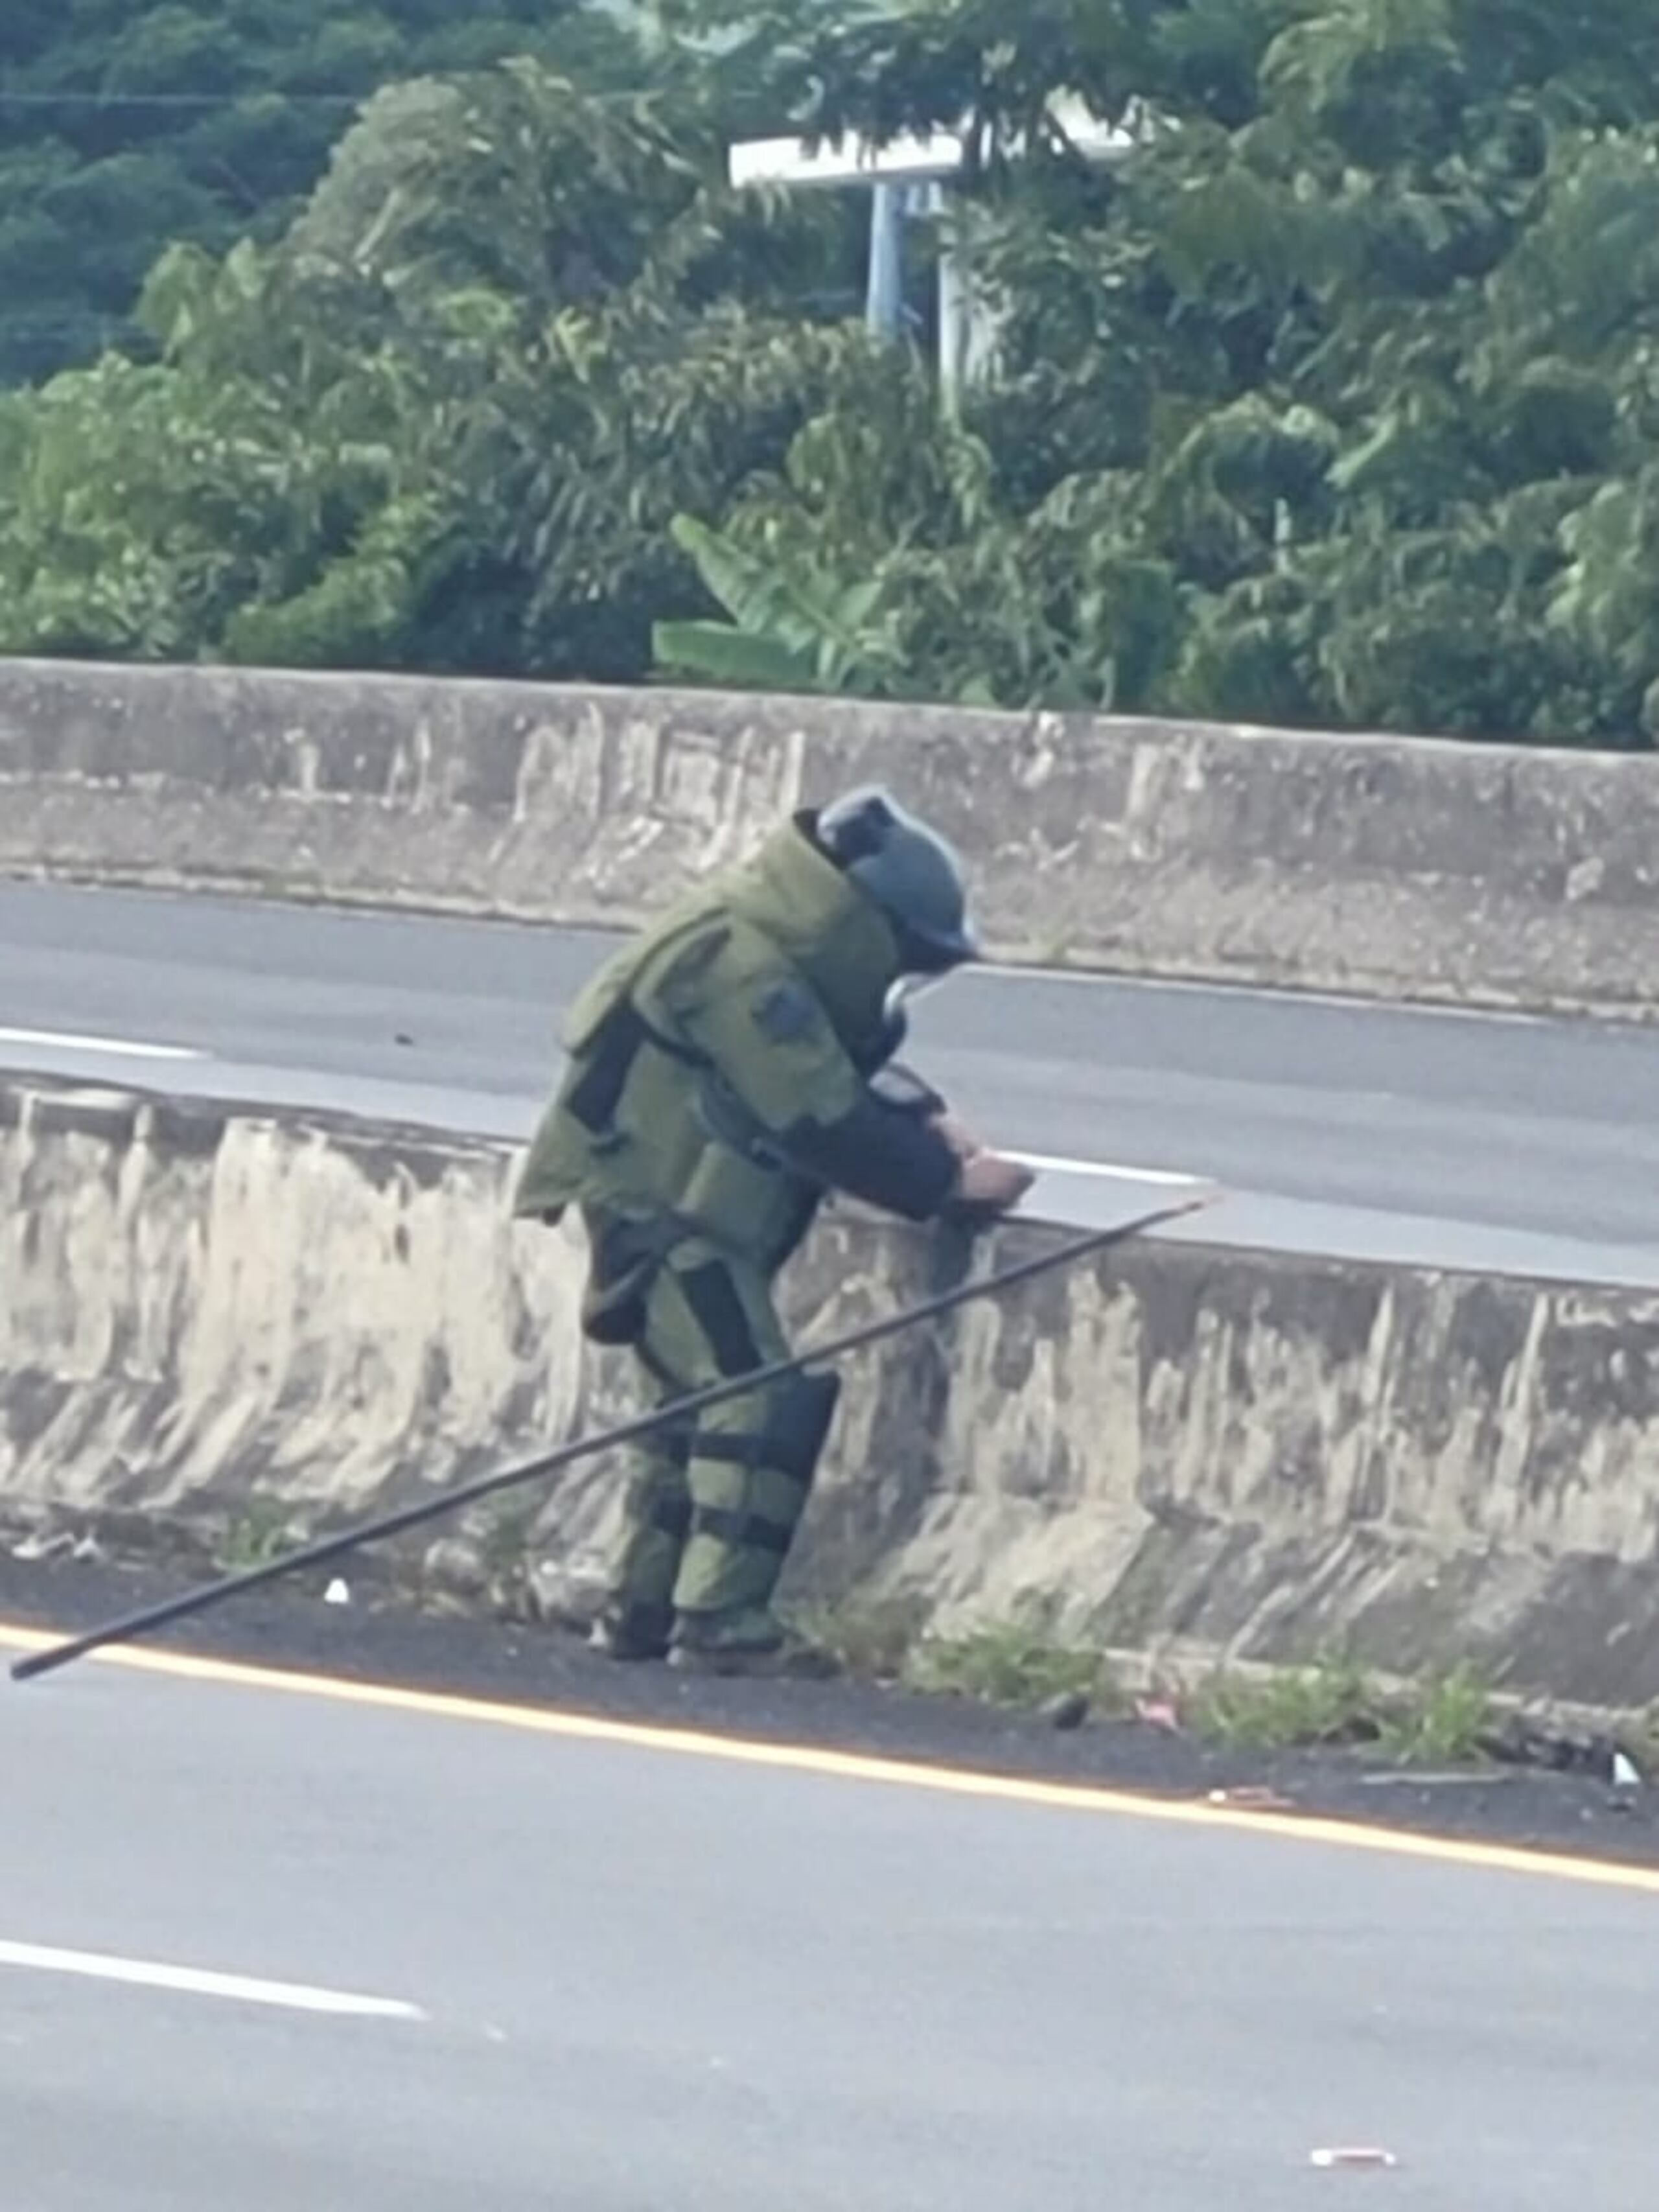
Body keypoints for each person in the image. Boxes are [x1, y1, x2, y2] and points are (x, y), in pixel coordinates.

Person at [513, 786, 1034, 1676]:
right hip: (663, 1216)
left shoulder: (755, 942)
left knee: (686, 1411)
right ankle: (718, 1617)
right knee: (754, 1397)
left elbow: (823, 1070)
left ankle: (642, 1609)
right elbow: (817, 1114)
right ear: (863, 928)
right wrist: (947, 1182)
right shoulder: (738, 964)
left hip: (679, 1209)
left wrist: (924, 1116)